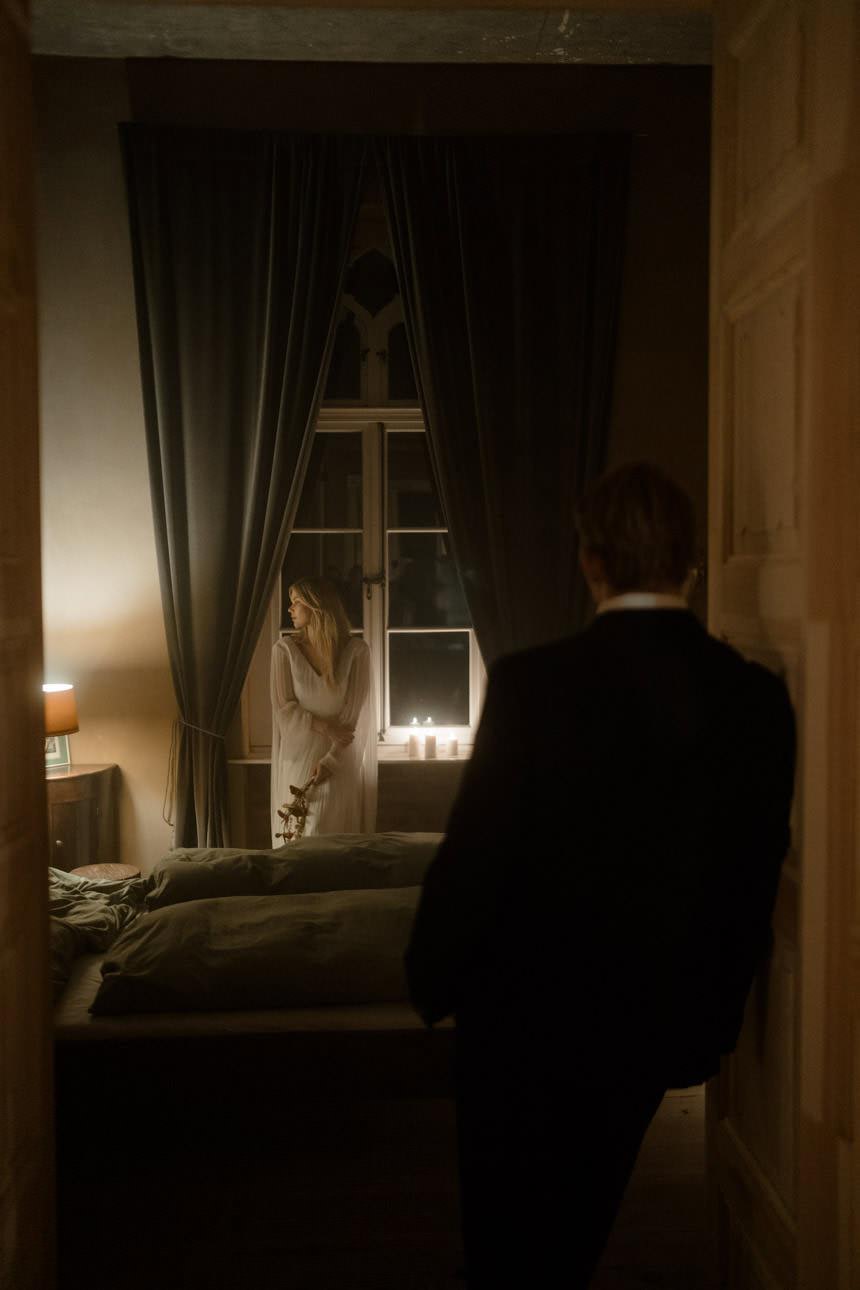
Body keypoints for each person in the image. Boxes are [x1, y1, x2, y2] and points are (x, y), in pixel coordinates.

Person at [404, 462, 796, 1288]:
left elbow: (474, 856)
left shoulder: (532, 685)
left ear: (591, 560)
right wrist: (712, 1018)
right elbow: (752, 876)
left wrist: (432, 981)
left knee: (505, 1249)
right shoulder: (755, 699)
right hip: (653, 1027)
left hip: (521, 1021)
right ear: (688, 560)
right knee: (574, 1235)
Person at [270, 576, 376, 842]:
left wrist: (331, 760)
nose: (290, 609)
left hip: (338, 761)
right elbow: (284, 708)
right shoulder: (285, 650)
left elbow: (353, 716)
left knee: (329, 837)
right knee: (298, 835)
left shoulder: (356, 652)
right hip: (299, 758)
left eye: (296, 602)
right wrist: (324, 726)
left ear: (317, 606)